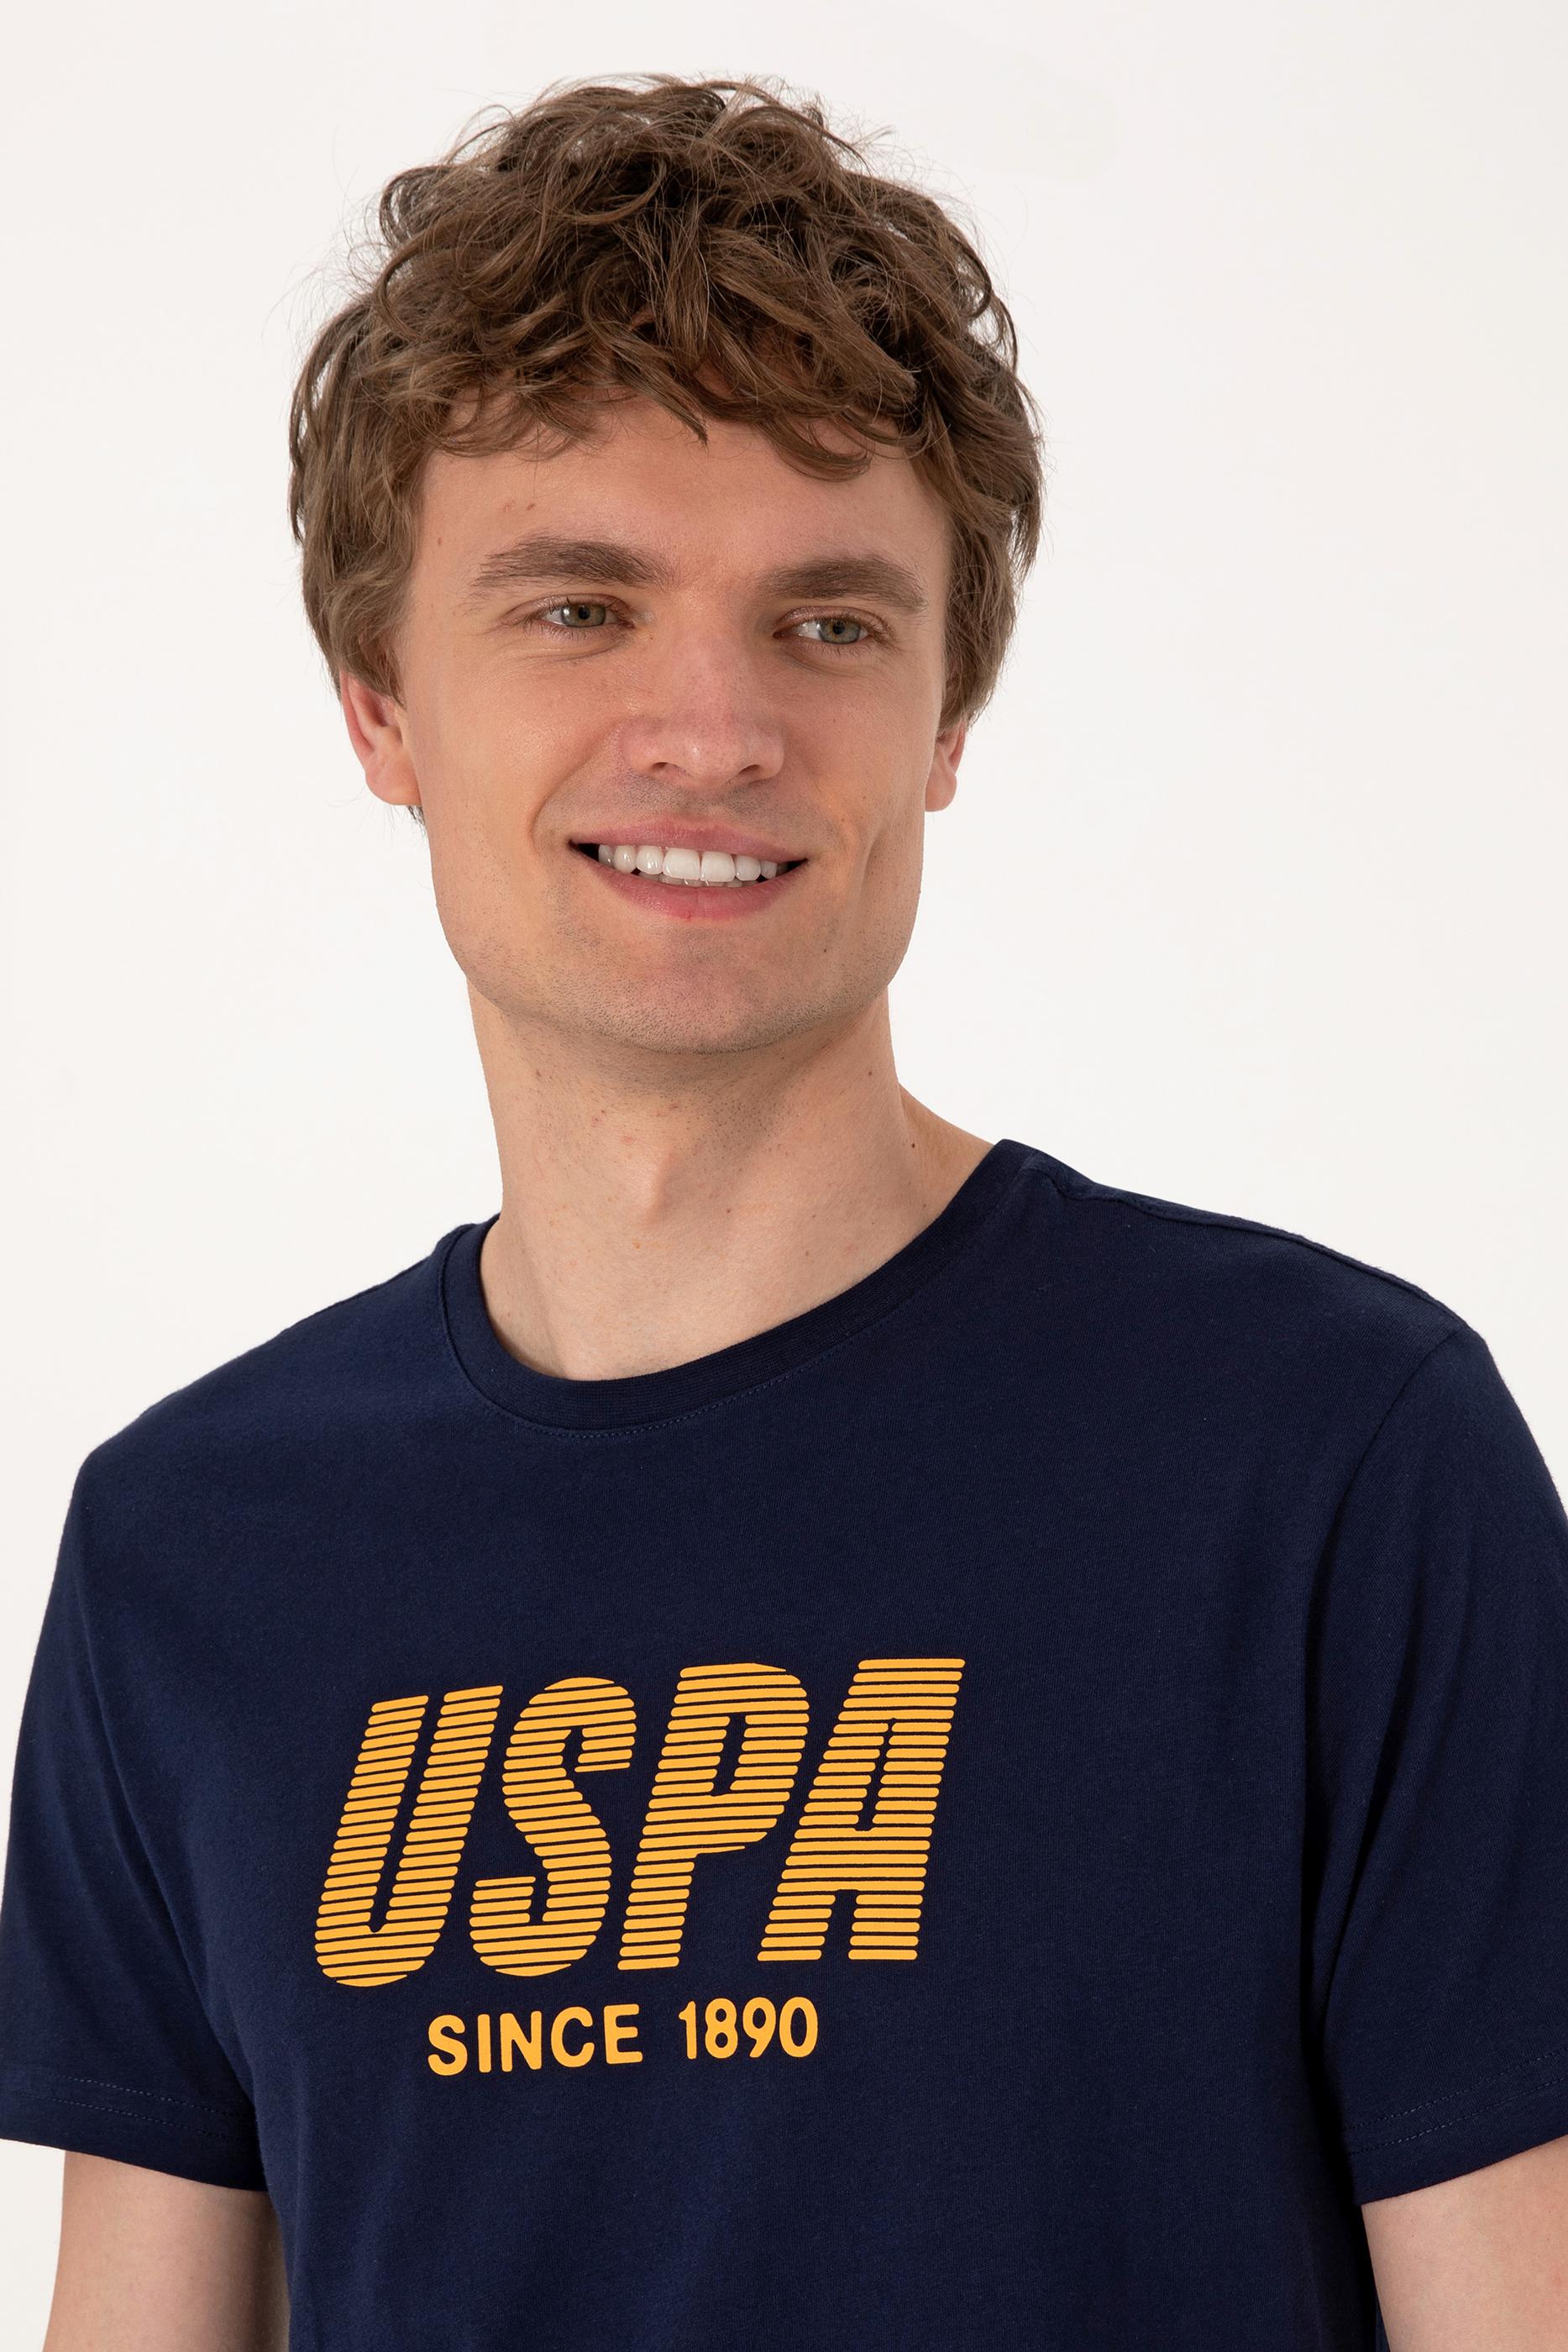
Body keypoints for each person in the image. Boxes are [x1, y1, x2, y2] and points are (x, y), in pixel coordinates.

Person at [1, 71, 1565, 2352]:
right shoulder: (190, 1556)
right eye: (578, 607)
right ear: (379, 708)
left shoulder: (1331, 1463)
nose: (714, 727)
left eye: (827, 625)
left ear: (945, 718)